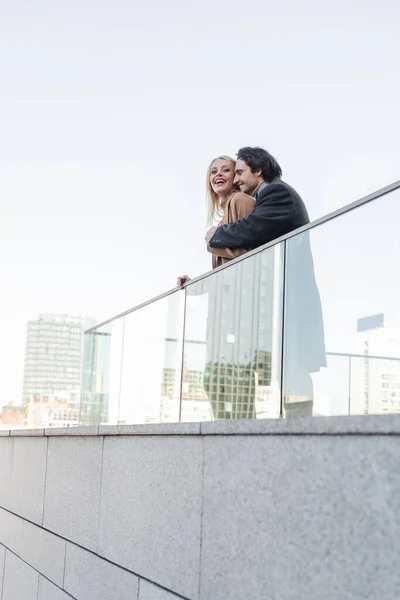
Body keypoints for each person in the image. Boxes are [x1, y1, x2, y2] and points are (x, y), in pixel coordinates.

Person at [207, 146, 326, 416]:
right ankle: (295, 428)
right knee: (288, 366)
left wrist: (215, 234)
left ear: (258, 170)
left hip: (289, 293)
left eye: (239, 172)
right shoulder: (267, 195)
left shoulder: (276, 192)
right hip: (283, 293)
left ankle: (299, 428)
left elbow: (253, 230)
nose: (236, 179)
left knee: (293, 367)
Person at [177, 155, 256, 419]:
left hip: (241, 313)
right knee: (214, 382)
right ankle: (226, 438)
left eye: (226, 170)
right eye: (213, 171)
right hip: (223, 313)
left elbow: (252, 254)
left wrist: (213, 241)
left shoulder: (241, 201)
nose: (218, 175)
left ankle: (242, 440)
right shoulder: (224, 214)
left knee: (239, 383)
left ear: (236, 176)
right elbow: (225, 270)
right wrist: (195, 284)